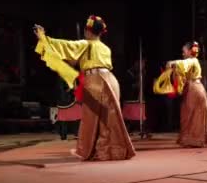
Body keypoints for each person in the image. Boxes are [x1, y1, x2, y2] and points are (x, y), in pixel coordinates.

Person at [33, 15, 135, 161]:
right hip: (111, 81)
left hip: (95, 80)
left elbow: (63, 45)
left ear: (88, 31)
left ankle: (90, 151)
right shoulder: (105, 48)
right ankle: (114, 151)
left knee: (91, 118)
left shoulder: (86, 44)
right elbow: (76, 60)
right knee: (109, 118)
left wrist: (43, 38)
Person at [154, 41, 207, 147]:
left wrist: (172, 63)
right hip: (195, 89)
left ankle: (194, 139)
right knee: (192, 114)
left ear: (189, 51)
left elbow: (182, 64)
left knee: (192, 115)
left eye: (184, 51)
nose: (182, 54)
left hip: (194, 90)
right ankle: (194, 138)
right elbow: (182, 70)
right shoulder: (193, 61)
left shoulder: (192, 60)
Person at [56, 76, 81, 140]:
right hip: (67, 100)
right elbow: (70, 88)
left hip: (66, 100)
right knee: (74, 117)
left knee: (75, 117)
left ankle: (66, 136)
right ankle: (66, 135)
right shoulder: (64, 77)